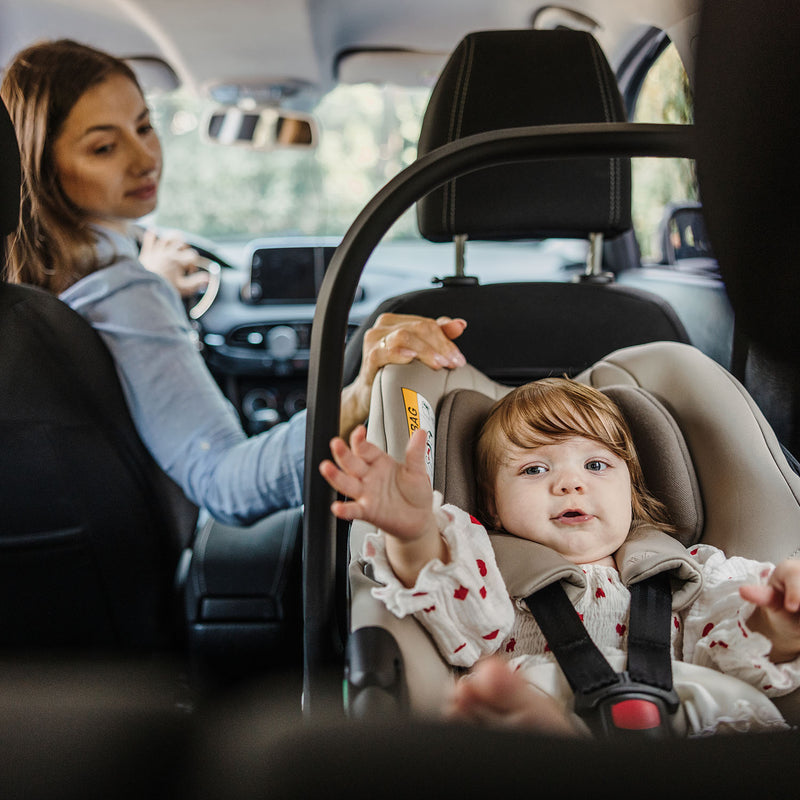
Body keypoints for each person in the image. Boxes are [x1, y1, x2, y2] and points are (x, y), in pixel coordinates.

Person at [0, 38, 467, 526]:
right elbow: (227, 483)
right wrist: (356, 394)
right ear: (42, 167)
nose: (145, 159)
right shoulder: (124, 295)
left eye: (144, 126)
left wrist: (150, 284)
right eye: (103, 147)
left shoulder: (34, 296)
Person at [320, 377, 800, 736]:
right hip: (547, 702)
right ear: (491, 504)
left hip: (684, 722)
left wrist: (775, 623)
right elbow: (452, 608)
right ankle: (550, 740)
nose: (571, 483)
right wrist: (416, 529)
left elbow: (731, 650)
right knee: (504, 707)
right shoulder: (487, 571)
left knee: (737, 702)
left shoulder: (688, 572)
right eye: (534, 468)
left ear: (631, 490)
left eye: (595, 465)